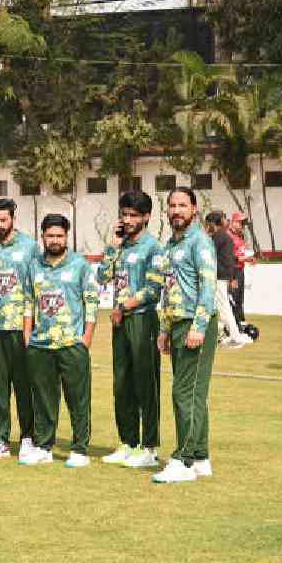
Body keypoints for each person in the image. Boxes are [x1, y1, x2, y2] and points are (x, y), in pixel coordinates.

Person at [21, 214, 99, 468]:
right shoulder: (34, 266)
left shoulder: (80, 265)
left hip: (72, 344)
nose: (55, 240)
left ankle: (79, 449)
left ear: (66, 237)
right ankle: (44, 447)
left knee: (78, 400)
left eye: (59, 236)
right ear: (42, 236)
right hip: (40, 345)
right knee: (43, 399)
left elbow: (91, 302)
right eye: (50, 235)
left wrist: (86, 339)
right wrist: (27, 336)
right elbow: (28, 302)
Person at [153, 187, 218, 484]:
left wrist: (199, 327)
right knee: (193, 394)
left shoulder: (200, 242)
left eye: (183, 205)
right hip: (177, 323)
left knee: (184, 393)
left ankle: (184, 460)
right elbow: (169, 288)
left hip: (195, 323)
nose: (177, 210)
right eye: (172, 205)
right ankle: (200, 457)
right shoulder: (170, 244)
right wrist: (164, 329)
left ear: (194, 209)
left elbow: (208, 287)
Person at [96, 192, 166, 469]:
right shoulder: (120, 246)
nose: (127, 220)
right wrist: (112, 247)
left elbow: (153, 289)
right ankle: (128, 442)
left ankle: (149, 448)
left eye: (133, 215)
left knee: (145, 384)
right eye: (124, 214)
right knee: (122, 384)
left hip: (142, 319)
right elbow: (102, 277)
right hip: (120, 322)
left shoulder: (153, 248)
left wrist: (123, 307)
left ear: (146, 217)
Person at [0, 198, 41, 463]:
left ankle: (28, 437)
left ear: (13, 218)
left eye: (3, 220)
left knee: (24, 385)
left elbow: (37, 286)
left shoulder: (30, 247)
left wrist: (32, 326)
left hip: (21, 327)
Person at [204, 211, 249, 348]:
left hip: (218, 277)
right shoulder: (224, 236)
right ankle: (222, 334)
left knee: (224, 308)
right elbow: (229, 258)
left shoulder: (218, 237)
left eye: (208, 224)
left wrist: (232, 277)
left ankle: (235, 337)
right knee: (217, 307)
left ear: (213, 223)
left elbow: (210, 255)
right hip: (222, 276)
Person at [227, 211, 252, 325]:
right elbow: (229, 257)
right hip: (233, 271)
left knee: (239, 298)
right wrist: (244, 259)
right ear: (234, 222)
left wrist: (248, 259)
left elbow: (240, 253)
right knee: (233, 298)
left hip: (240, 271)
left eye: (244, 223)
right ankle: (233, 324)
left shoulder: (240, 236)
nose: (243, 226)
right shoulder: (228, 236)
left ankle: (240, 322)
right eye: (241, 223)